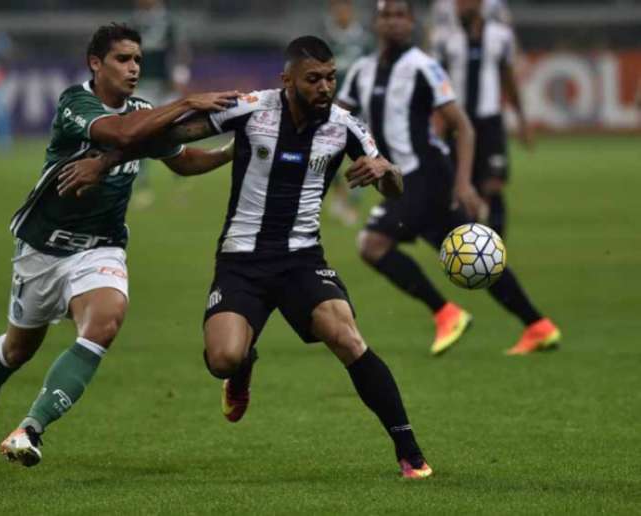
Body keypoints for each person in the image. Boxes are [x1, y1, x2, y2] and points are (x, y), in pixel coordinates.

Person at [75, 35, 433, 479]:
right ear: (287, 80)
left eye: (330, 78)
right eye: (313, 79)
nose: (324, 87)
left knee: (346, 336)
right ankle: (242, 368)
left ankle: (409, 452)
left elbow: (393, 188)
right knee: (224, 358)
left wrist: (387, 171)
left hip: (303, 259)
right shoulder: (251, 108)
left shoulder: (346, 126)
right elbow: (172, 136)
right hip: (241, 261)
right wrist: (103, 163)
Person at [0, 23, 240, 467]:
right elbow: (124, 135)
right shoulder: (77, 103)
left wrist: (230, 151)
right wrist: (188, 101)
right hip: (43, 248)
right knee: (18, 349)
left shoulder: (145, 109)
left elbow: (184, 161)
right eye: (123, 59)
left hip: (101, 247)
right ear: (96, 63)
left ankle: (29, 429)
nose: (133, 68)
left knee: (105, 321)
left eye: (137, 60)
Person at [338, 0, 560, 356]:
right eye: (386, 16)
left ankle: (445, 313)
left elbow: (463, 126)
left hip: (426, 175)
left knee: (372, 244)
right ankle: (538, 325)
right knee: (470, 252)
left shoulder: (423, 66)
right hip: (401, 180)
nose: (393, 22)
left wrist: (463, 184)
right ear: (376, 24)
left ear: (412, 23)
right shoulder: (361, 71)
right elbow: (339, 119)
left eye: (400, 15)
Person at [431, 0, 529, 238]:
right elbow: (435, 83)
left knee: (493, 186)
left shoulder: (501, 37)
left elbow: (508, 79)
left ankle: (496, 251)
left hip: (490, 122)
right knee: (462, 190)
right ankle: (471, 248)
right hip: (457, 124)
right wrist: (436, 122)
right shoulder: (443, 38)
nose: (461, 6)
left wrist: (521, 118)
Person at [128, 0, 192, 209]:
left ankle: (180, 184)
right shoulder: (133, 22)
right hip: (142, 86)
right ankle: (142, 187)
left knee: (174, 132)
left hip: (166, 87)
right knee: (139, 135)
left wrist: (180, 75)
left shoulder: (169, 22)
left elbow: (181, 49)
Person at [322, 0, 374, 226]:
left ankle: (352, 204)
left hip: (359, 107)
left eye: (345, 7)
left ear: (350, 10)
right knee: (326, 154)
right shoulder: (326, 39)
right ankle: (340, 195)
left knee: (362, 156)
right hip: (331, 106)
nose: (341, 12)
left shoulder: (364, 40)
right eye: (337, 8)